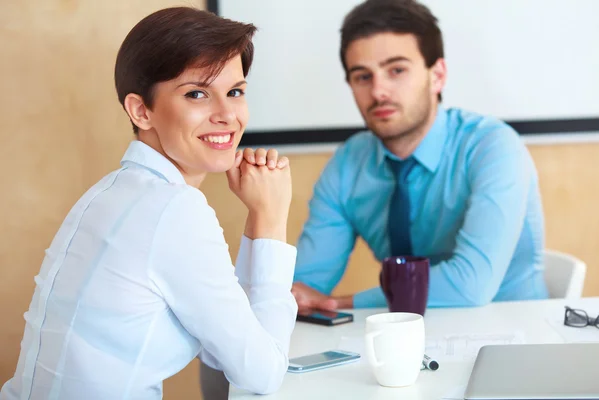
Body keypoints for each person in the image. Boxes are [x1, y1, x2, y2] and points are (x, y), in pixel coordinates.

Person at [1, 7, 297, 400]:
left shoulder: (110, 192)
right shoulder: (173, 210)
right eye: (197, 94)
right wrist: (271, 218)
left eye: (235, 92)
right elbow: (261, 374)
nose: (227, 115)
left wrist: (260, 217)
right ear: (141, 111)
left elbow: (222, 343)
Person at [292, 0, 548, 313]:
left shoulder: (493, 147)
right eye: (362, 76)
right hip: (405, 341)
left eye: (396, 70)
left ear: (437, 75)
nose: (378, 92)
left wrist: (345, 303)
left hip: (511, 334)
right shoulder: (348, 164)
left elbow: (470, 285)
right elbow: (305, 285)